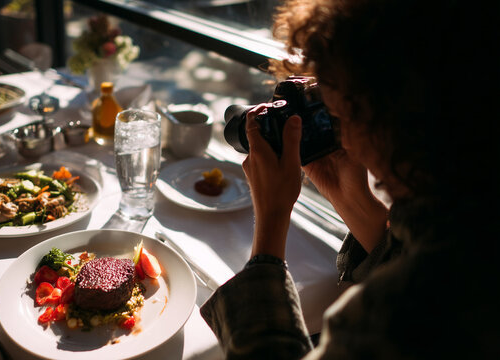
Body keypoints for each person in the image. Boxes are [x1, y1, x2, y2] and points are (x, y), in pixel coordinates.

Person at [200, 0, 500, 358]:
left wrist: (271, 223)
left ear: (398, 120)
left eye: (342, 115)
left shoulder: (396, 315)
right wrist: (353, 201)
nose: (344, 140)